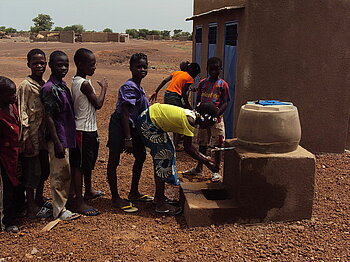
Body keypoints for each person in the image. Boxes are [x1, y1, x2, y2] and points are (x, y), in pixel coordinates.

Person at [136, 102, 219, 215]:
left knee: (168, 152)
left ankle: (159, 198)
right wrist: (206, 162)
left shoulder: (191, 115)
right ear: (205, 118)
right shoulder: (190, 121)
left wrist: (205, 160)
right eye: (210, 122)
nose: (209, 126)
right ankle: (160, 204)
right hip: (148, 123)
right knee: (163, 158)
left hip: (150, 117)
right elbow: (188, 148)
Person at [106, 53, 152, 213]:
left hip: (133, 127)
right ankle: (115, 197)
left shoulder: (139, 87)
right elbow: (125, 113)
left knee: (141, 156)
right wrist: (127, 138)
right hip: (121, 126)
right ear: (131, 68)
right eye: (138, 67)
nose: (142, 69)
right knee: (114, 160)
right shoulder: (129, 87)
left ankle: (133, 192)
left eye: (144, 67)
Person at [41, 51, 80, 221]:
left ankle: (63, 204)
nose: (63, 68)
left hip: (66, 135)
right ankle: (59, 209)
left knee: (66, 172)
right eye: (59, 65)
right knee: (59, 174)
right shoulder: (49, 88)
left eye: (66, 64)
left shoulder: (62, 85)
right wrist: (56, 141)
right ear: (50, 65)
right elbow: (48, 117)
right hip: (58, 137)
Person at [69, 48, 108, 216]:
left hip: (89, 129)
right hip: (82, 130)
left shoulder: (78, 80)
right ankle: (78, 201)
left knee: (87, 163)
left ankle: (89, 190)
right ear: (80, 64)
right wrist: (104, 88)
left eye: (95, 64)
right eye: (91, 65)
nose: (94, 68)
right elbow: (98, 104)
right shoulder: (84, 84)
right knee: (78, 166)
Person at [17, 49, 52, 219]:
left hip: (42, 135)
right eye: (35, 63)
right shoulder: (26, 85)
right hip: (31, 136)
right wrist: (26, 139)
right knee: (31, 171)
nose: (39, 66)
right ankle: (31, 206)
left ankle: (39, 198)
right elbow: (22, 112)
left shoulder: (43, 83)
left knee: (43, 169)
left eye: (42, 63)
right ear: (28, 64)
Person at [184, 57, 230, 182]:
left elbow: (226, 102)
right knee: (202, 143)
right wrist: (199, 114)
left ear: (220, 69)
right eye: (211, 69)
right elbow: (198, 100)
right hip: (203, 117)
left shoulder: (223, 85)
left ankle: (216, 170)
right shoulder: (203, 83)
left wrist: (216, 115)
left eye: (217, 69)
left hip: (217, 118)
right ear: (207, 69)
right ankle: (199, 167)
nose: (214, 72)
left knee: (217, 144)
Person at [0, 76, 21, 232]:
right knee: (6, 189)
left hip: (15, 154)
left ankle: (17, 212)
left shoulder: (13, 105)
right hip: (4, 158)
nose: (14, 96)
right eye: (10, 94)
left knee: (16, 186)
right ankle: (8, 221)